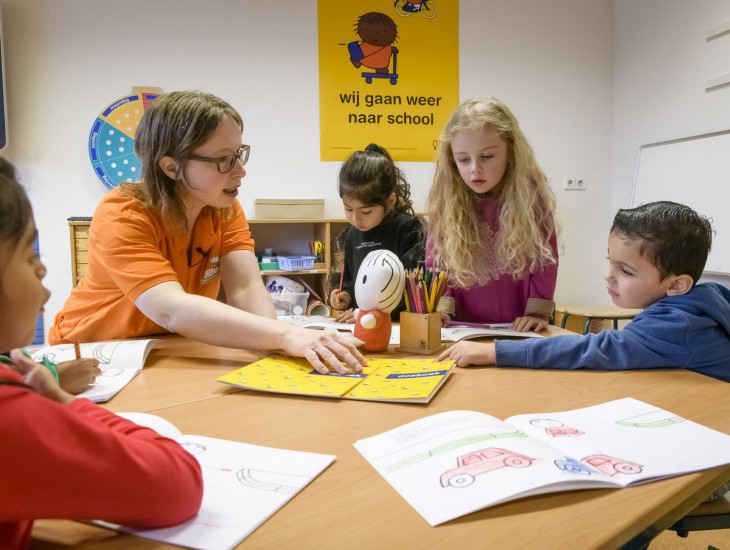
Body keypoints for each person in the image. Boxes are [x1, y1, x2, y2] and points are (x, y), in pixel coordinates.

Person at [50, 91, 364, 375]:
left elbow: (244, 289)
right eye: (224, 160)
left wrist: (277, 347)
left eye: (239, 155)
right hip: (92, 353)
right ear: (171, 167)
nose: (240, 171)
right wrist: (286, 335)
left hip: (165, 347)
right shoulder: (122, 214)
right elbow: (170, 309)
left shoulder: (223, 207)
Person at [0, 157, 203, 547]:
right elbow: (176, 483)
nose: (42, 272)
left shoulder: (223, 212)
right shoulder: (11, 416)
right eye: (30, 257)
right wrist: (61, 401)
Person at [438, 201, 730, 383]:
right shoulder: (697, 305)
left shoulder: (680, 324)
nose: (608, 276)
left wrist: (494, 351)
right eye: (610, 262)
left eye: (625, 271)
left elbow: (596, 350)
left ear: (677, 285)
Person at [426, 98, 559, 332]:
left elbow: (545, 258)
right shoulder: (445, 199)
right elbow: (436, 262)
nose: (474, 169)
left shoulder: (529, 196)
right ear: (451, 158)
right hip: (460, 328)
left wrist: (538, 311)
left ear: (510, 151)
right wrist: (441, 307)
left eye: (487, 156)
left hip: (517, 328)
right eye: (463, 160)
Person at [329, 143, 424, 322]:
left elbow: (414, 292)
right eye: (348, 209)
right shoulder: (351, 236)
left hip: (400, 326)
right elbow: (352, 282)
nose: (356, 219)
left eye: (366, 212)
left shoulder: (409, 229)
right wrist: (346, 296)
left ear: (390, 201)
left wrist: (365, 314)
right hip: (365, 327)